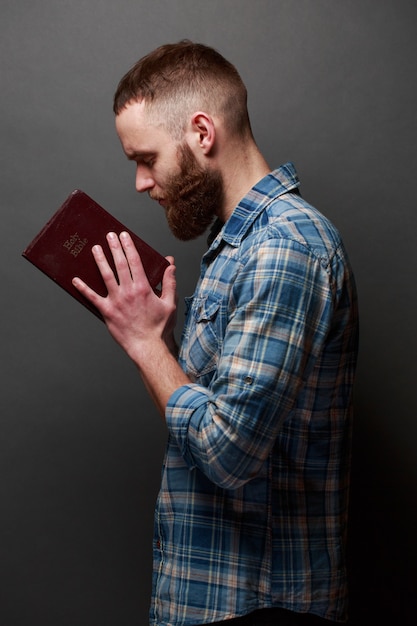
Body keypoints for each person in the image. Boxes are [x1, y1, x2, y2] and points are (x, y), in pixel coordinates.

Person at [72, 41, 359, 626]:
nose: (140, 182)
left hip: (257, 608)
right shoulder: (235, 245)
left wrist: (145, 344)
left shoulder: (284, 246)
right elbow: (220, 421)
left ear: (202, 133)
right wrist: (163, 340)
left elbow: (229, 454)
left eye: (147, 158)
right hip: (213, 602)